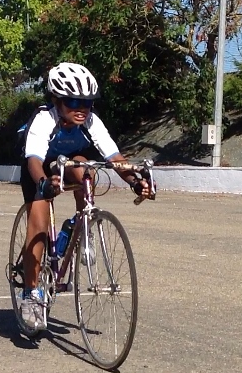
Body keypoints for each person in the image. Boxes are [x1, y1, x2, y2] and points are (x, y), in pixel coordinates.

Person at [17, 62, 152, 331]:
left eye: (88, 103)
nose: (82, 109)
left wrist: (135, 181)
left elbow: (114, 158)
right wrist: (44, 184)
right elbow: (33, 159)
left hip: (67, 161)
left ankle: (81, 226)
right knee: (40, 223)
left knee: (85, 169)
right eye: (73, 102)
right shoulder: (44, 118)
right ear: (57, 100)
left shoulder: (91, 121)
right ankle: (31, 294)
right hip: (39, 167)